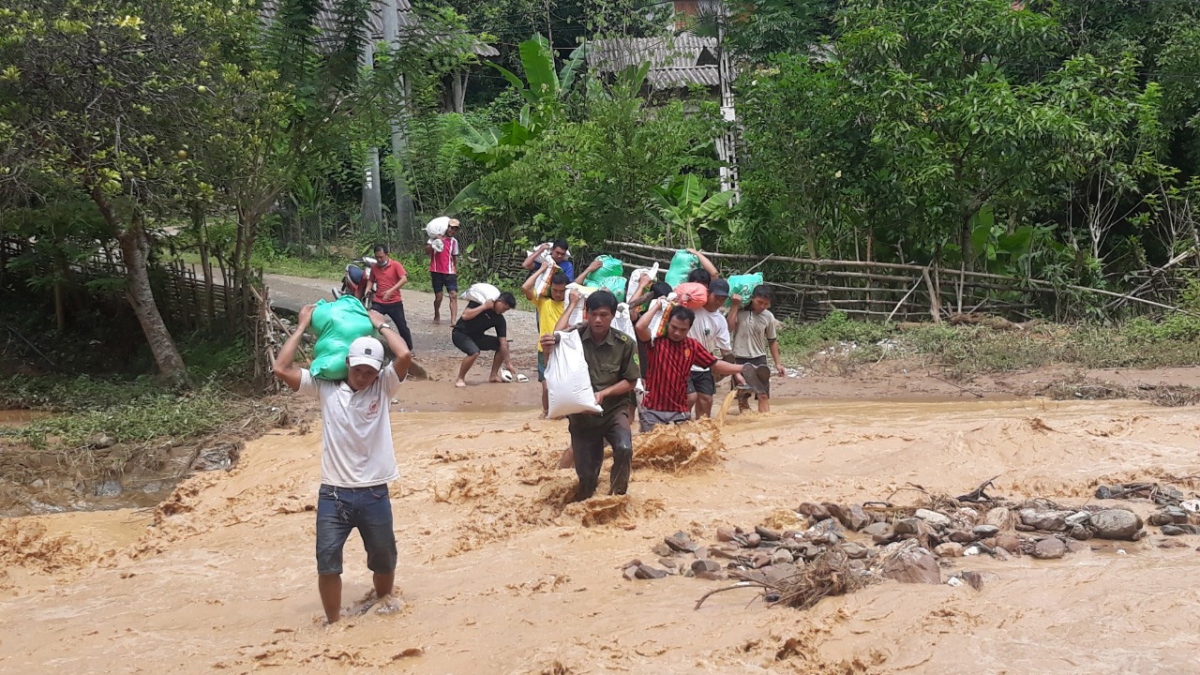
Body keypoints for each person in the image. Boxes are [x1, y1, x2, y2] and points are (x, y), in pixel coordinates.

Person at [272, 305, 412, 625]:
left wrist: (382, 325)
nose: (362, 377)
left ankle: (382, 603)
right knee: (328, 563)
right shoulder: (325, 387)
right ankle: (333, 625)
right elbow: (281, 369)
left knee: (384, 560)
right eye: (357, 370)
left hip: (375, 492)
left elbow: (404, 356)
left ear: (378, 371)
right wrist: (303, 326)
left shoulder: (384, 387)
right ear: (347, 363)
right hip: (333, 496)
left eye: (369, 371)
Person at [542, 290, 639, 501]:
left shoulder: (625, 344)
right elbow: (555, 338)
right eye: (593, 314)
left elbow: (631, 381)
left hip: (613, 411)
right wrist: (548, 345)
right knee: (586, 478)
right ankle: (587, 501)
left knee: (624, 448)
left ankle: (616, 498)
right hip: (582, 416)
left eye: (603, 315)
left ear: (612, 316)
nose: (597, 320)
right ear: (586, 314)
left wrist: (604, 393)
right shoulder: (573, 338)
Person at [634, 304, 745, 432]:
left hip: (680, 411)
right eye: (674, 327)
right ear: (667, 323)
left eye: (683, 330)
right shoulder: (655, 341)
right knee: (649, 449)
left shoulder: (692, 346)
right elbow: (639, 326)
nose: (677, 333)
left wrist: (742, 368)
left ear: (689, 329)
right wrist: (657, 306)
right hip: (652, 411)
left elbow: (715, 364)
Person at [727, 284, 786, 413]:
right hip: (739, 359)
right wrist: (735, 306)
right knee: (742, 397)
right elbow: (728, 328)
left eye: (766, 304)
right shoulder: (739, 312)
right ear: (752, 298)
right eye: (760, 302)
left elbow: (772, 340)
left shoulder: (768, 316)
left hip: (759, 359)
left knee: (763, 395)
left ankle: (764, 423)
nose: (763, 306)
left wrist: (778, 363)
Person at [522, 261, 569, 417]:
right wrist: (542, 269)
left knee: (564, 385)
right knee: (546, 387)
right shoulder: (543, 302)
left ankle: (562, 413)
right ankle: (546, 412)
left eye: (561, 291)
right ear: (550, 288)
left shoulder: (571, 306)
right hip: (544, 350)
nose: (558, 294)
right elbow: (525, 287)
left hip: (564, 351)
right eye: (555, 290)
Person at [688, 279, 733, 418]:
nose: (719, 302)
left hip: (704, 364)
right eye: (716, 297)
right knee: (689, 398)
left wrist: (734, 372)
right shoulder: (691, 309)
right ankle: (680, 427)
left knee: (706, 400)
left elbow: (726, 350)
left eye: (723, 299)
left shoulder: (720, 320)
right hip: (684, 363)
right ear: (708, 293)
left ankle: (702, 431)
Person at [452, 292, 518, 388]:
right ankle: (460, 378)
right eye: (504, 308)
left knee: (503, 345)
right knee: (474, 352)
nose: (504, 311)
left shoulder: (499, 319)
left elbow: (503, 343)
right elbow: (465, 316)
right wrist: (484, 307)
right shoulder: (479, 303)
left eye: (506, 310)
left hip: (477, 337)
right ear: (498, 301)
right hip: (460, 334)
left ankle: (493, 375)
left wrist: (508, 363)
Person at [370, 244, 414, 351]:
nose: (379, 260)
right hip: (379, 302)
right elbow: (371, 280)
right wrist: (368, 288)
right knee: (371, 321)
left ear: (387, 255)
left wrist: (391, 291)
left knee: (402, 326)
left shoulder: (395, 265)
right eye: (377, 257)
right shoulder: (374, 267)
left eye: (381, 257)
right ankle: (371, 345)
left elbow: (404, 279)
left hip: (394, 302)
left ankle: (408, 348)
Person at [426, 219, 461, 324]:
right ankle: (436, 313)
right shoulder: (434, 239)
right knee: (439, 297)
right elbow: (427, 251)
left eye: (455, 229)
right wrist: (435, 241)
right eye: (451, 228)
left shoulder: (454, 242)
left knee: (453, 294)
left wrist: (455, 269)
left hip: (450, 272)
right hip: (436, 271)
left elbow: (454, 257)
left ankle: (453, 320)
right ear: (447, 227)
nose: (452, 231)